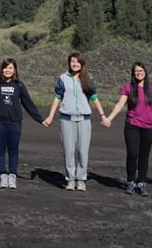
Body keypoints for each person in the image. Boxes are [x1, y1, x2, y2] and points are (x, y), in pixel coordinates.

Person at [102, 61, 152, 196]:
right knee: (132, 154)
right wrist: (109, 118)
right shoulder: (128, 87)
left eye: (141, 71)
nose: (138, 73)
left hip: (149, 127)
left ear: (145, 72)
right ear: (133, 74)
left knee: (144, 156)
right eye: (136, 71)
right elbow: (120, 104)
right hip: (132, 125)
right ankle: (130, 181)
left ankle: (141, 182)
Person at [0, 58, 44, 189]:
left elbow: (29, 104)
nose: (7, 70)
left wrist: (40, 119)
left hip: (15, 123)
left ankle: (12, 175)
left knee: (13, 151)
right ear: (2, 70)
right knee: (0, 150)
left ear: (15, 70)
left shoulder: (19, 86)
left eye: (10, 68)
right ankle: (2, 176)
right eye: (5, 68)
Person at [42, 53, 106, 191]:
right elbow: (57, 97)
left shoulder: (88, 78)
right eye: (72, 61)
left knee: (83, 151)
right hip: (66, 119)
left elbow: (94, 97)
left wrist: (102, 115)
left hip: (84, 119)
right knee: (68, 150)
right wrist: (50, 116)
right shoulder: (63, 78)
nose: (75, 64)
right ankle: (70, 179)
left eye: (77, 62)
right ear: (69, 63)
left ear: (82, 64)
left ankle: (81, 179)